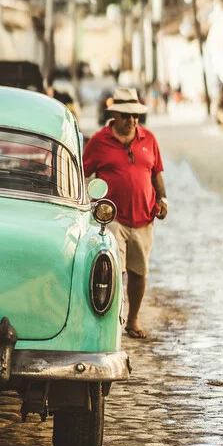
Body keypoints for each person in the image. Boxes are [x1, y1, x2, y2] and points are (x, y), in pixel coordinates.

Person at [83, 87, 168, 339]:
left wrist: (162, 199)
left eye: (136, 116)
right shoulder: (99, 141)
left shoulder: (149, 139)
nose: (132, 121)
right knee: (115, 271)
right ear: (115, 115)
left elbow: (156, 174)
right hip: (113, 220)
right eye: (126, 116)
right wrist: (87, 202)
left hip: (143, 218)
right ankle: (112, 321)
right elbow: (82, 173)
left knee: (138, 273)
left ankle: (132, 319)